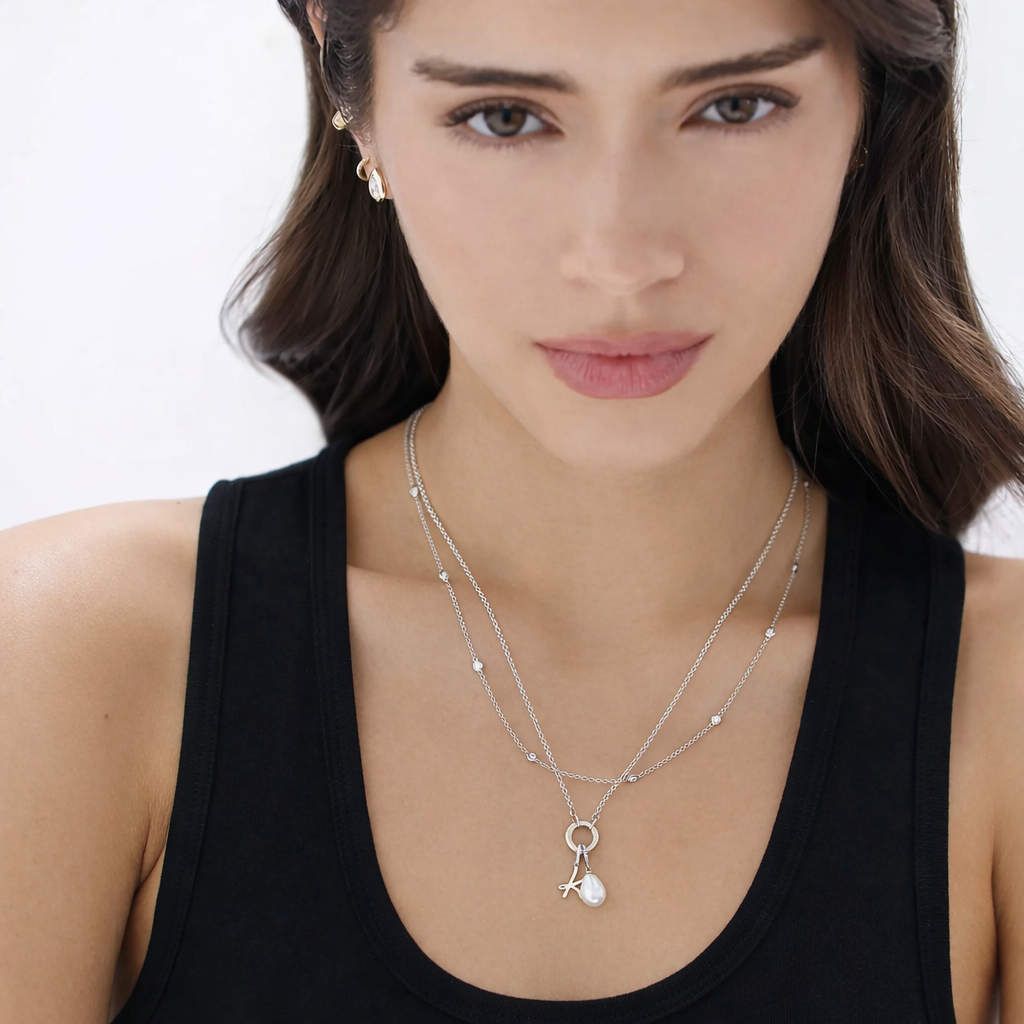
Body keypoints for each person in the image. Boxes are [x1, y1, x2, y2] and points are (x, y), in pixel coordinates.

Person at [1, 0, 1022, 1019]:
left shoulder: (1002, 699)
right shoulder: (68, 659)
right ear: (355, 103)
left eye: (735, 106)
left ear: (871, 104)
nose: (620, 257)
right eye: (505, 117)